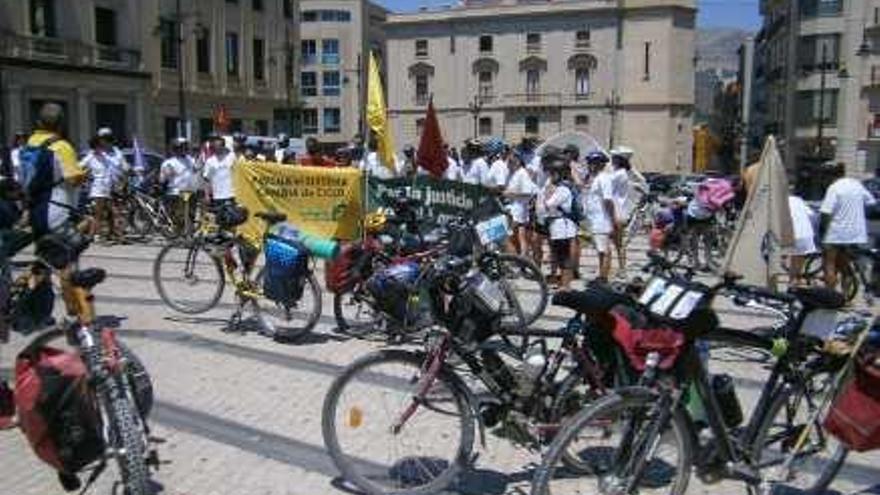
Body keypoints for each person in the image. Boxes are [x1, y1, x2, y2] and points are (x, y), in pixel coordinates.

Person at [819, 162, 876, 290]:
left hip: (836, 232)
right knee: (846, 267)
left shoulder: (834, 188)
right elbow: (871, 201)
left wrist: (823, 231)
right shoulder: (856, 184)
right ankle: (845, 297)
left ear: (830, 175)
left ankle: (830, 295)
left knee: (829, 263)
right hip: (856, 233)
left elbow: (825, 212)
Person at [536, 155, 577, 290]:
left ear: (560, 174)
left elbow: (548, 205)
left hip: (563, 226)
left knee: (564, 257)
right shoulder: (557, 188)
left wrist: (547, 194)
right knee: (560, 256)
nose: (550, 176)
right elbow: (542, 208)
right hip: (556, 227)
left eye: (553, 173)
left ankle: (566, 286)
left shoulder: (563, 189)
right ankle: (563, 283)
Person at [583, 151, 616, 281]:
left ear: (601, 164)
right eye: (590, 163)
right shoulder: (596, 178)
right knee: (600, 250)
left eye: (594, 163)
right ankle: (601, 274)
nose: (590, 165)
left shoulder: (604, 178)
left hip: (602, 220)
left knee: (605, 250)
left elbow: (608, 200)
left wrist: (613, 219)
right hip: (595, 220)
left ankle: (603, 277)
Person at [80, 134, 120, 241]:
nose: (102, 148)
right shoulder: (90, 157)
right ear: (95, 147)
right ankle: (92, 235)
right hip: (98, 190)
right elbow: (79, 166)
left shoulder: (104, 156)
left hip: (107, 189)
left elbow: (115, 164)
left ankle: (110, 234)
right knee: (99, 214)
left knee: (110, 213)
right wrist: (86, 174)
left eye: (102, 146)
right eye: (100, 146)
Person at [160, 137, 197, 235]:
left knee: (191, 214)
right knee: (180, 215)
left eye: (185, 147)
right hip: (177, 192)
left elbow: (196, 171)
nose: (183, 150)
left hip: (191, 191)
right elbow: (163, 179)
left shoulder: (191, 160)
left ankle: (189, 233)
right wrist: (167, 173)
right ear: (175, 149)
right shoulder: (169, 162)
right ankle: (180, 233)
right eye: (180, 148)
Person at [504, 152, 537, 255]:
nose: (508, 164)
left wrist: (511, 194)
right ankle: (521, 259)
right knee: (517, 235)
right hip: (513, 207)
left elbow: (528, 192)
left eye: (511, 162)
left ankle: (519, 259)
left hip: (519, 208)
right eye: (508, 162)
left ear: (518, 162)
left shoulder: (522, 173)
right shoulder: (512, 173)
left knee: (511, 236)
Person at [610, 152, 632, 278]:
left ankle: (621, 269)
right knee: (619, 243)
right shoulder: (623, 174)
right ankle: (621, 268)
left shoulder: (618, 174)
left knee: (617, 243)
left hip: (615, 212)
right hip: (620, 212)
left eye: (613, 159)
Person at [788, 192, 817, 286]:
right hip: (806, 234)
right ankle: (795, 280)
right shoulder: (799, 200)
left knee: (774, 258)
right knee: (799, 257)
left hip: (792, 233)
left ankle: (792, 281)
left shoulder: (779, 201)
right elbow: (812, 215)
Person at [202, 134, 236, 207]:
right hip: (218, 196)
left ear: (223, 146)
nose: (218, 148)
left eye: (220, 146)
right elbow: (206, 179)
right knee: (220, 217)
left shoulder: (232, 157)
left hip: (232, 194)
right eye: (216, 146)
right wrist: (207, 195)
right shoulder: (210, 161)